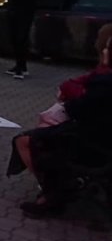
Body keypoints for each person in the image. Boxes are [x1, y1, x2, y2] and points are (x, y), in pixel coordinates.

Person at [8, 39, 112, 218]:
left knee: (25, 140)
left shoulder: (105, 82)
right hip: (99, 139)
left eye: (107, 49)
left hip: (94, 143)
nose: (103, 51)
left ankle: (51, 195)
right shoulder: (102, 80)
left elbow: (76, 109)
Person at [39, 24, 112, 127]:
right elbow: (86, 79)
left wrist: (67, 89)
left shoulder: (105, 77)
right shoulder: (101, 70)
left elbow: (88, 96)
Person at [0, 0, 43, 79]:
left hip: (24, 14)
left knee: (21, 39)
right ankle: (20, 65)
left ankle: (21, 67)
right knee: (14, 39)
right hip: (13, 12)